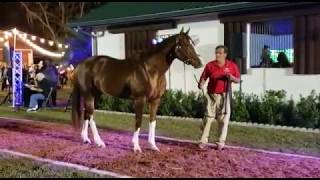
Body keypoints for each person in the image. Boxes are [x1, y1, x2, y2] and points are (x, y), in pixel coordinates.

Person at [197, 45, 240, 150]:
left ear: (225, 54)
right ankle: (203, 141)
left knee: (223, 119)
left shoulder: (231, 65)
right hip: (211, 95)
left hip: (224, 95)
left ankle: (220, 142)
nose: (217, 55)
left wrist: (231, 77)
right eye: (216, 53)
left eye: (220, 53)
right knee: (208, 118)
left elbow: (238, 79)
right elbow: (203, 78)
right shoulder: (210, 65)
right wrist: (201, 84)